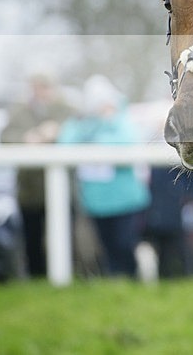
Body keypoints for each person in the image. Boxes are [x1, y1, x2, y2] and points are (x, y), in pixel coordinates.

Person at [57, 75, 151, 278]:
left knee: (124, 245)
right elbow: (65, 144)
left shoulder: (124, 121)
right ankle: (114, 284)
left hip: (126, 200)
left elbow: (128, 147)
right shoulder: (82, 125)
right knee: (107, 248)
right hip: (96, 200)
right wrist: (87, 124)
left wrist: (110, 122)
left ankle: (130, 282)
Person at [0, 73, 74, 277]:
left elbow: (82, 129)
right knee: (32, 237)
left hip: (65, 190)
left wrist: (58, 130)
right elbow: (5, 137)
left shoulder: (66, 109)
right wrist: (26, 138)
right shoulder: (19, 111)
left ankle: (69, 275)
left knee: (64, 236)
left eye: (45, 86)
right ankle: (36, 276)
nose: (41, 91)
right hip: (30, 188)